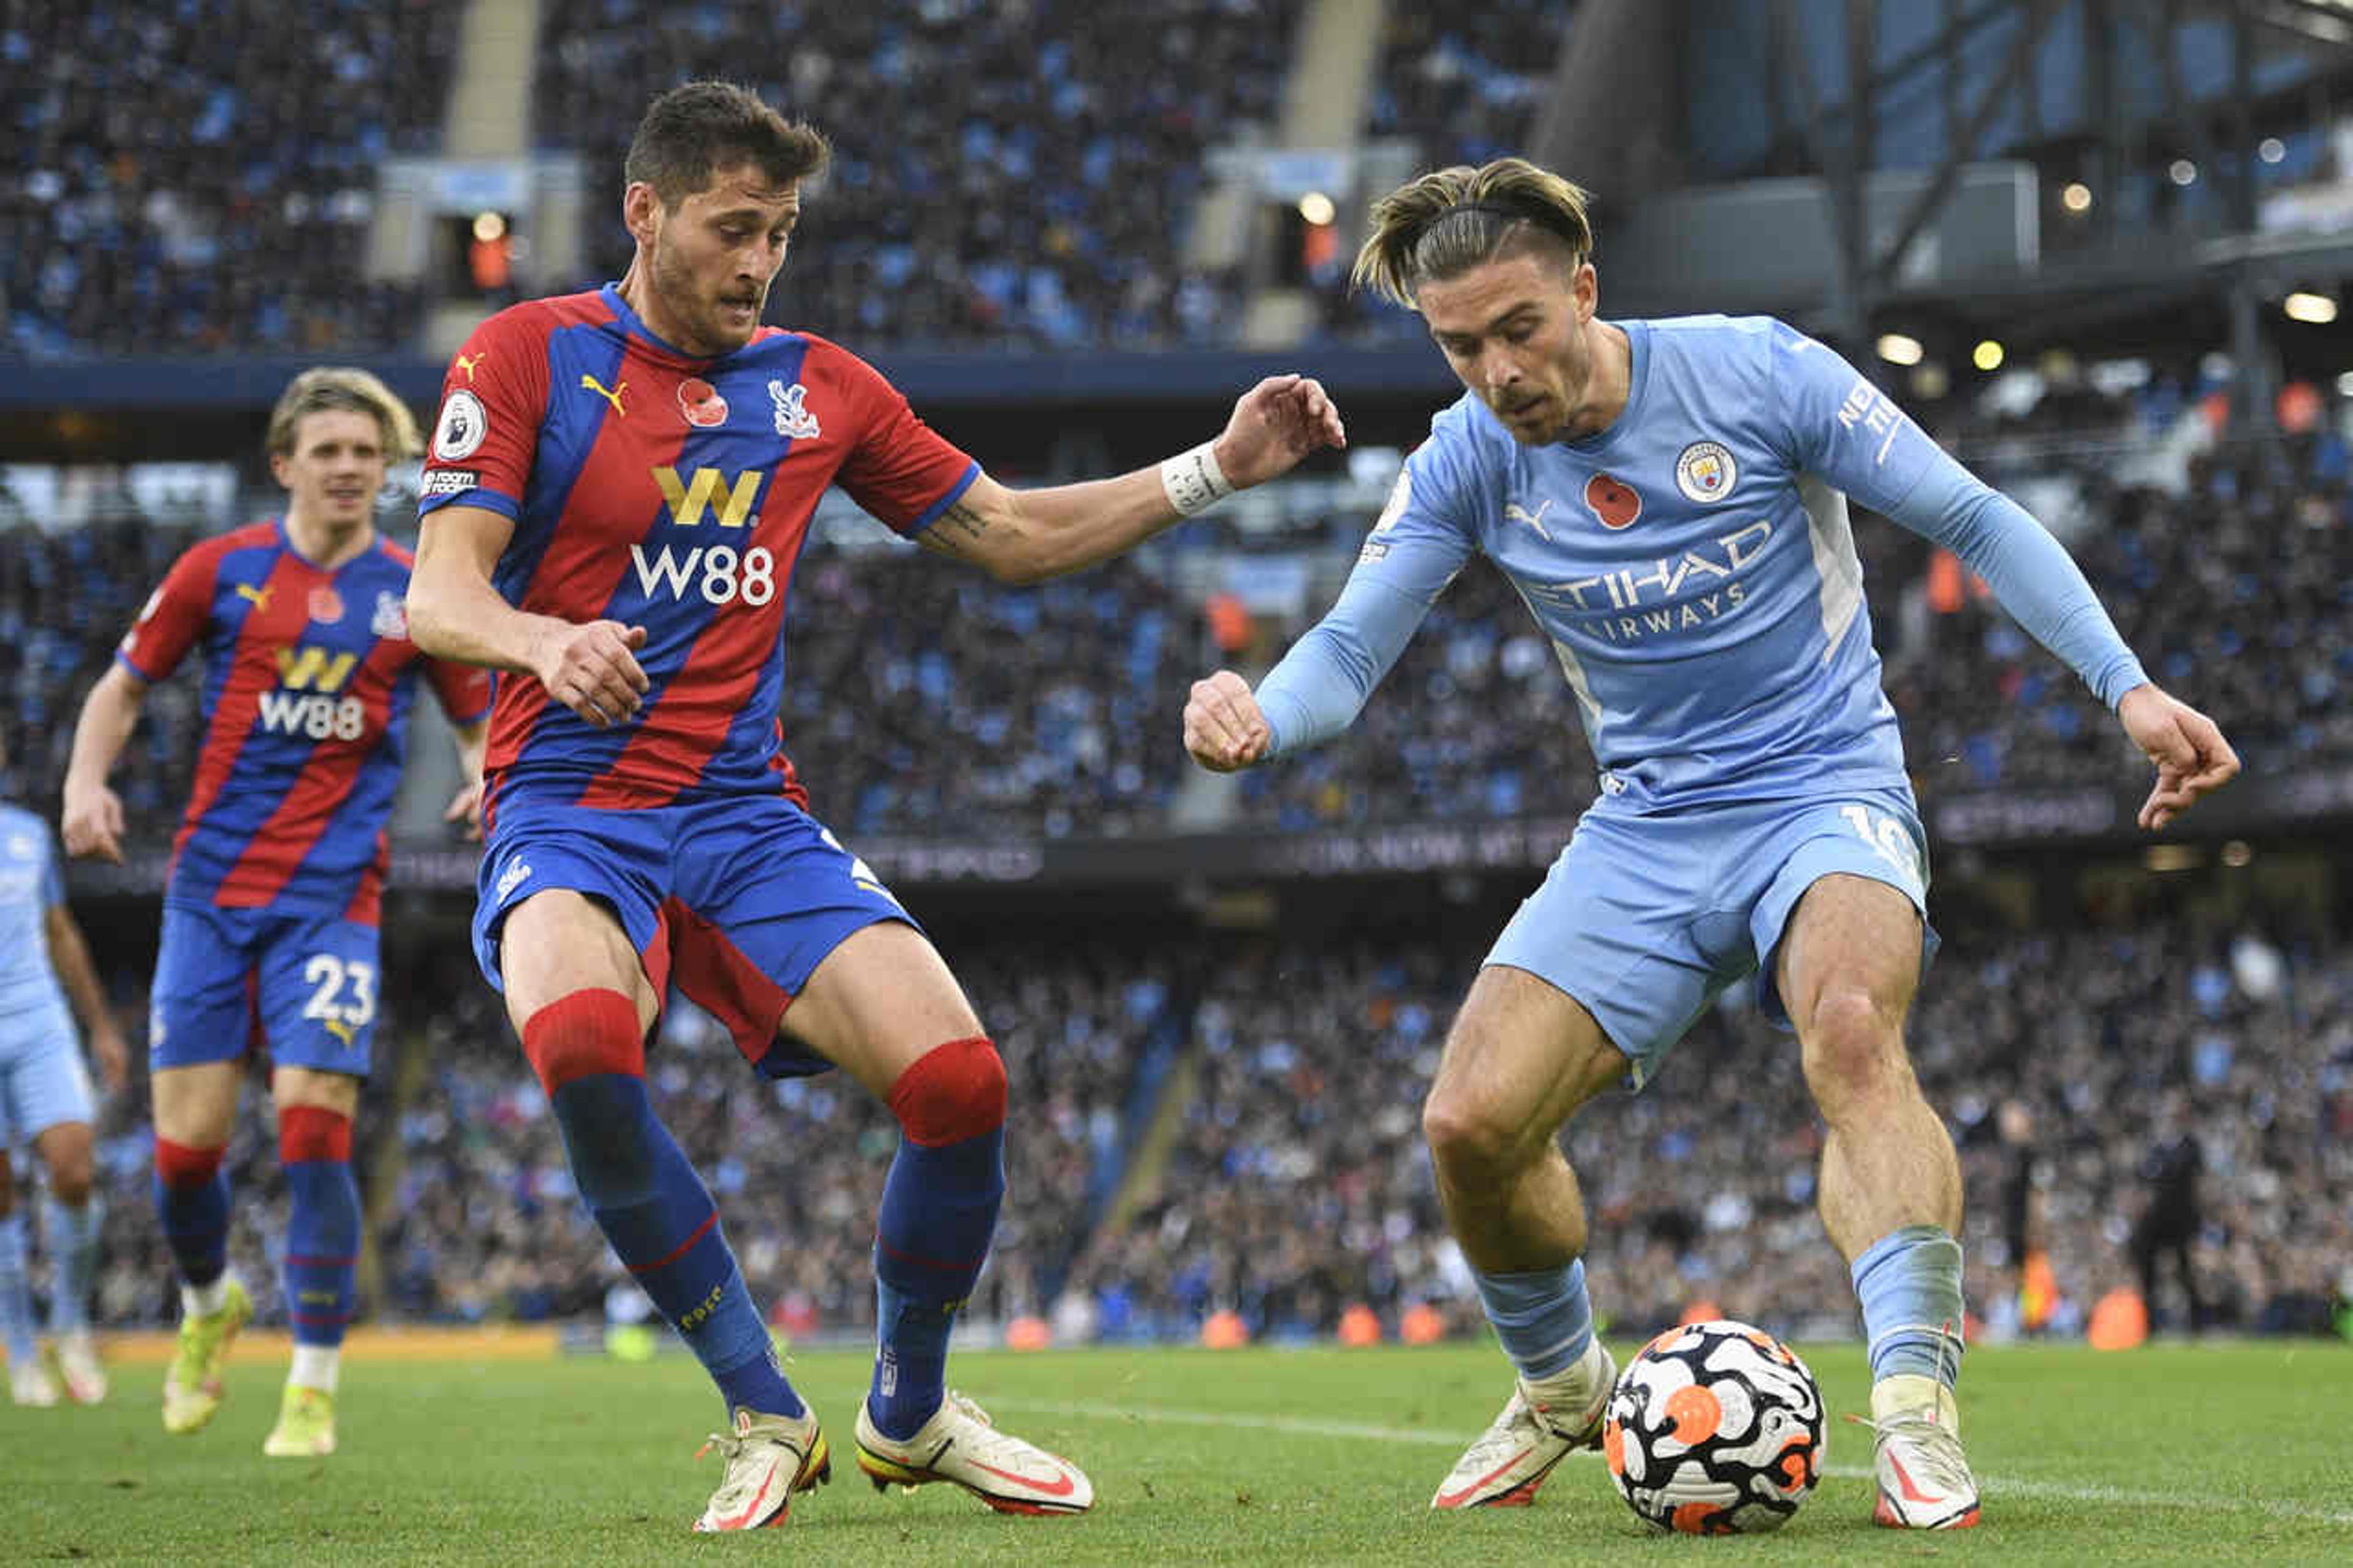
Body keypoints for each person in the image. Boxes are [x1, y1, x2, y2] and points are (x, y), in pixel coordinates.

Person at [1181, 157, 2238, 1531]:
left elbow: (1968, 513)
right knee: (1469, 1123)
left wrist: (2130, 688)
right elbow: (1348, 649)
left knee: (1852, 1024)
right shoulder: (1466, 460)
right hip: (1650, 821)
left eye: (1518, 330)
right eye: (1458, 348)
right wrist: (1259, 715)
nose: (1496, 372)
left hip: (1824, 785)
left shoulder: (1755, 375)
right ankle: (1564, 1384)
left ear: (1585, 288)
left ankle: (1915, 1407)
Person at [403, 80, 1343, 1534]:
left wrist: (1215, 467)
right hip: (567, 802)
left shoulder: (819, 386)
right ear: (645, 213)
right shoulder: (525, 354)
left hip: (741, 811)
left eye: (777, 233)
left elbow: (1012, 535)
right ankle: (762, 1402)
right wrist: (541, 639)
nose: (757, 261)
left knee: (960, 1084)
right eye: (731, 228)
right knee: (585, 1045)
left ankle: (906, 1409)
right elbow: (438, 592)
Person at [62, 368, 491, 1457]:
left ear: (387, 468)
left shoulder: (413, 590)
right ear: (286, 463)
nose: (350, 467)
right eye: (331, 449)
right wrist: (85, 783)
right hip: (211, 895)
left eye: (367, 452)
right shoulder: (222, 568)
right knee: (184, 1154)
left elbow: (479, 715)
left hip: (332, 899)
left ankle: (312, 1382)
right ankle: (210, 1302)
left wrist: (489, 772)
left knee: (313, 1124)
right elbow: (121, 685)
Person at [0, 724, 131, 1407]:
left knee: (74, 1167)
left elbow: (60, 933)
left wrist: (103, 1028)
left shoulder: (27, 835)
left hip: (38, 1020)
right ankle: (19, 1348)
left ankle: (71, 1323)